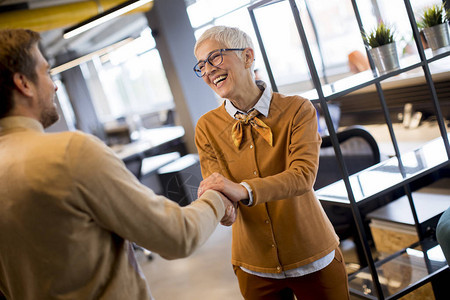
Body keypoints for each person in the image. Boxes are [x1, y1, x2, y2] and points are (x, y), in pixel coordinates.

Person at [0, 28, 236, 300]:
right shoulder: (69, 153)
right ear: (24, 83)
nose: (54, 85)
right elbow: (177, 237)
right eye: (46, 72)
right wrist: (218, 196)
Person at [193, 26, 349, 300]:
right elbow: (218, 188)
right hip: (254, 266)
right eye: (201, 65)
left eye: (215, 57)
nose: (207, 70)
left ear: (247, 57)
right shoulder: (206, 127)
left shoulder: (298, 109)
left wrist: (242, 190)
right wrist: (222, 208)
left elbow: (302, 177)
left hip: (313, 255)